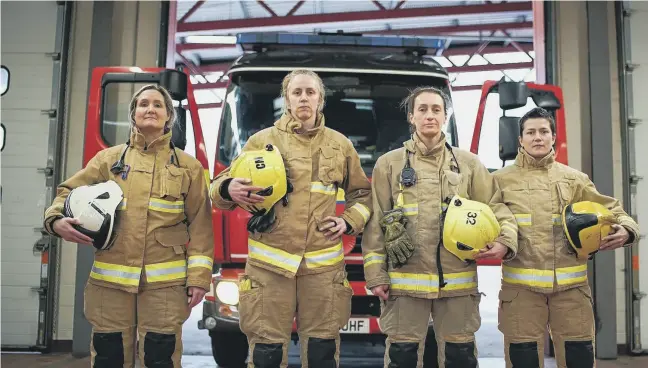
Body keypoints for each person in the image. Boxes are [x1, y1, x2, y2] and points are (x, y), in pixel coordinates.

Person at [43, 84, 214, 368]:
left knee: (161, 358)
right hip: (110, 284)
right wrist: (55, 219)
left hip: (165, 287)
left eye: (158, 105)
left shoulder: (189, 167)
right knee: (109, 358)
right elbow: (67, 193)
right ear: (133, 115)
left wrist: (198, 279)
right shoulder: (108, 161)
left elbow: (201, 227)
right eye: (143, 104)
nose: (150, 109)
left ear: (169, 116)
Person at [209, 69, 372, 368]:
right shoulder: (260, 142)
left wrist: (348, 222)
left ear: (320, 100)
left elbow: (362, 195)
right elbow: (219, 187)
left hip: (322, 270)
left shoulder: (340, 146)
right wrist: (229, 188)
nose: (304, 98)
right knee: (266, 352)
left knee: (322, 352)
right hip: (269, 268)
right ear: (286, 99)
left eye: (310, 92)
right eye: (297, 92)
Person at [361, 86, 519, 368]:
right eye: (422, 109)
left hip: (457, 287)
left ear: (445, 116)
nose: (429, 115)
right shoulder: (389, 165)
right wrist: (376, 275)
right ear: (411, 117)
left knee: (460, 357)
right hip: (404, 288)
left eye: (436, 109)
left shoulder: (468, 164)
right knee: (402, 357)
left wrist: (505, 240)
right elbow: (376, 225)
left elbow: (496, 207)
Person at [492, 107, 640, 368]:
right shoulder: (499, 181)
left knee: (579, 358)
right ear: (520, 140)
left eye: (543, 132)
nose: (537, 137)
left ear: (553, 137)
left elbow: (613, 210)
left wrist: (627, 229)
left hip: (571, 292)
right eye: (531, 132)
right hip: (520, 294)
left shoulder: (574, 179)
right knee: (522, 358)